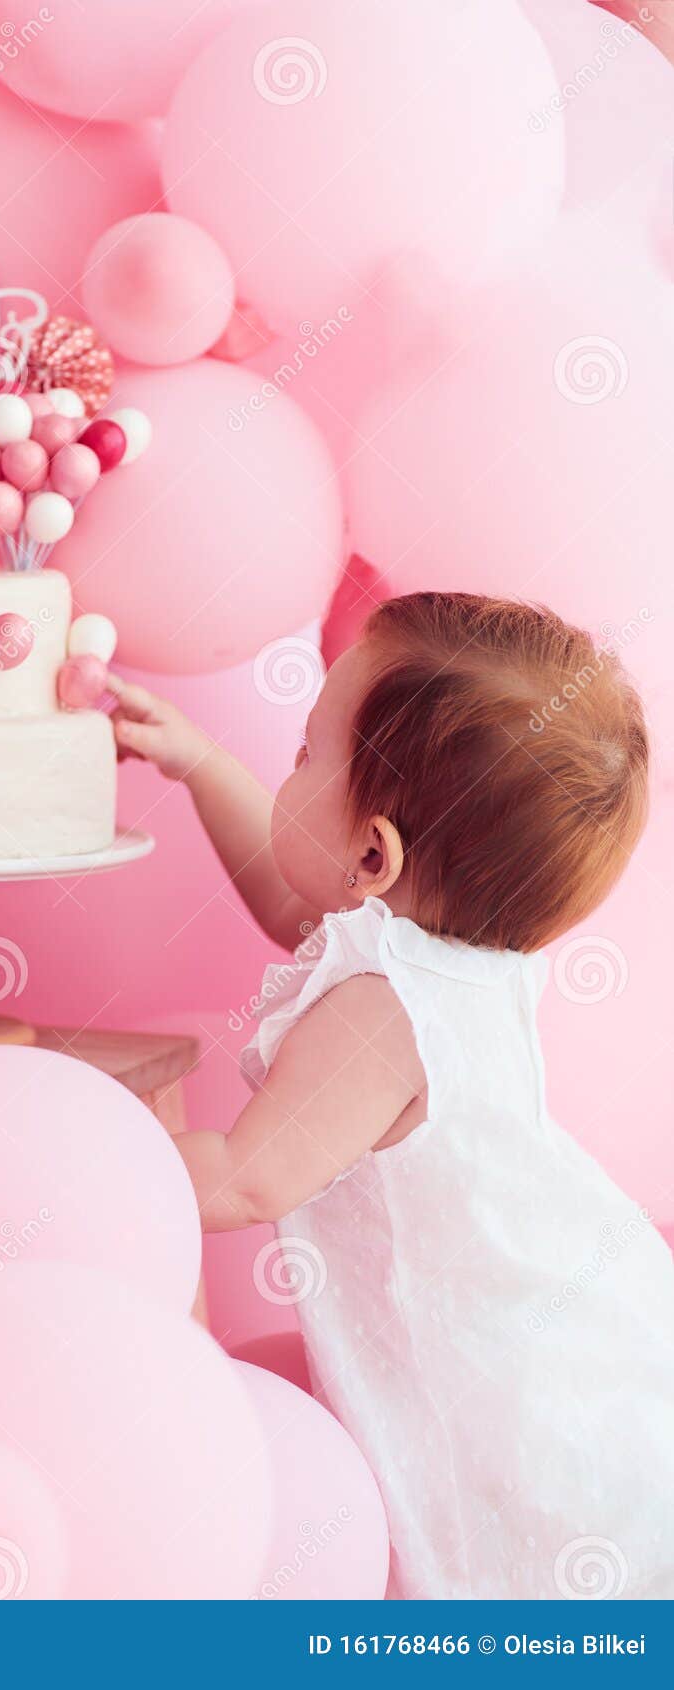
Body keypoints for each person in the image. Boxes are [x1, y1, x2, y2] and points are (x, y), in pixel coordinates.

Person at [110, 592, 674, 1599]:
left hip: (499, 1393)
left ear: (372, 854)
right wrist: (198, 764)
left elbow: (243, 1180)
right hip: (543, 1329)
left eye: (298, 756)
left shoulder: (379, 1015)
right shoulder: (446, 956)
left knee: (484, 1568)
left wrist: (95, 1139)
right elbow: (296, 900)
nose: (286, 771)